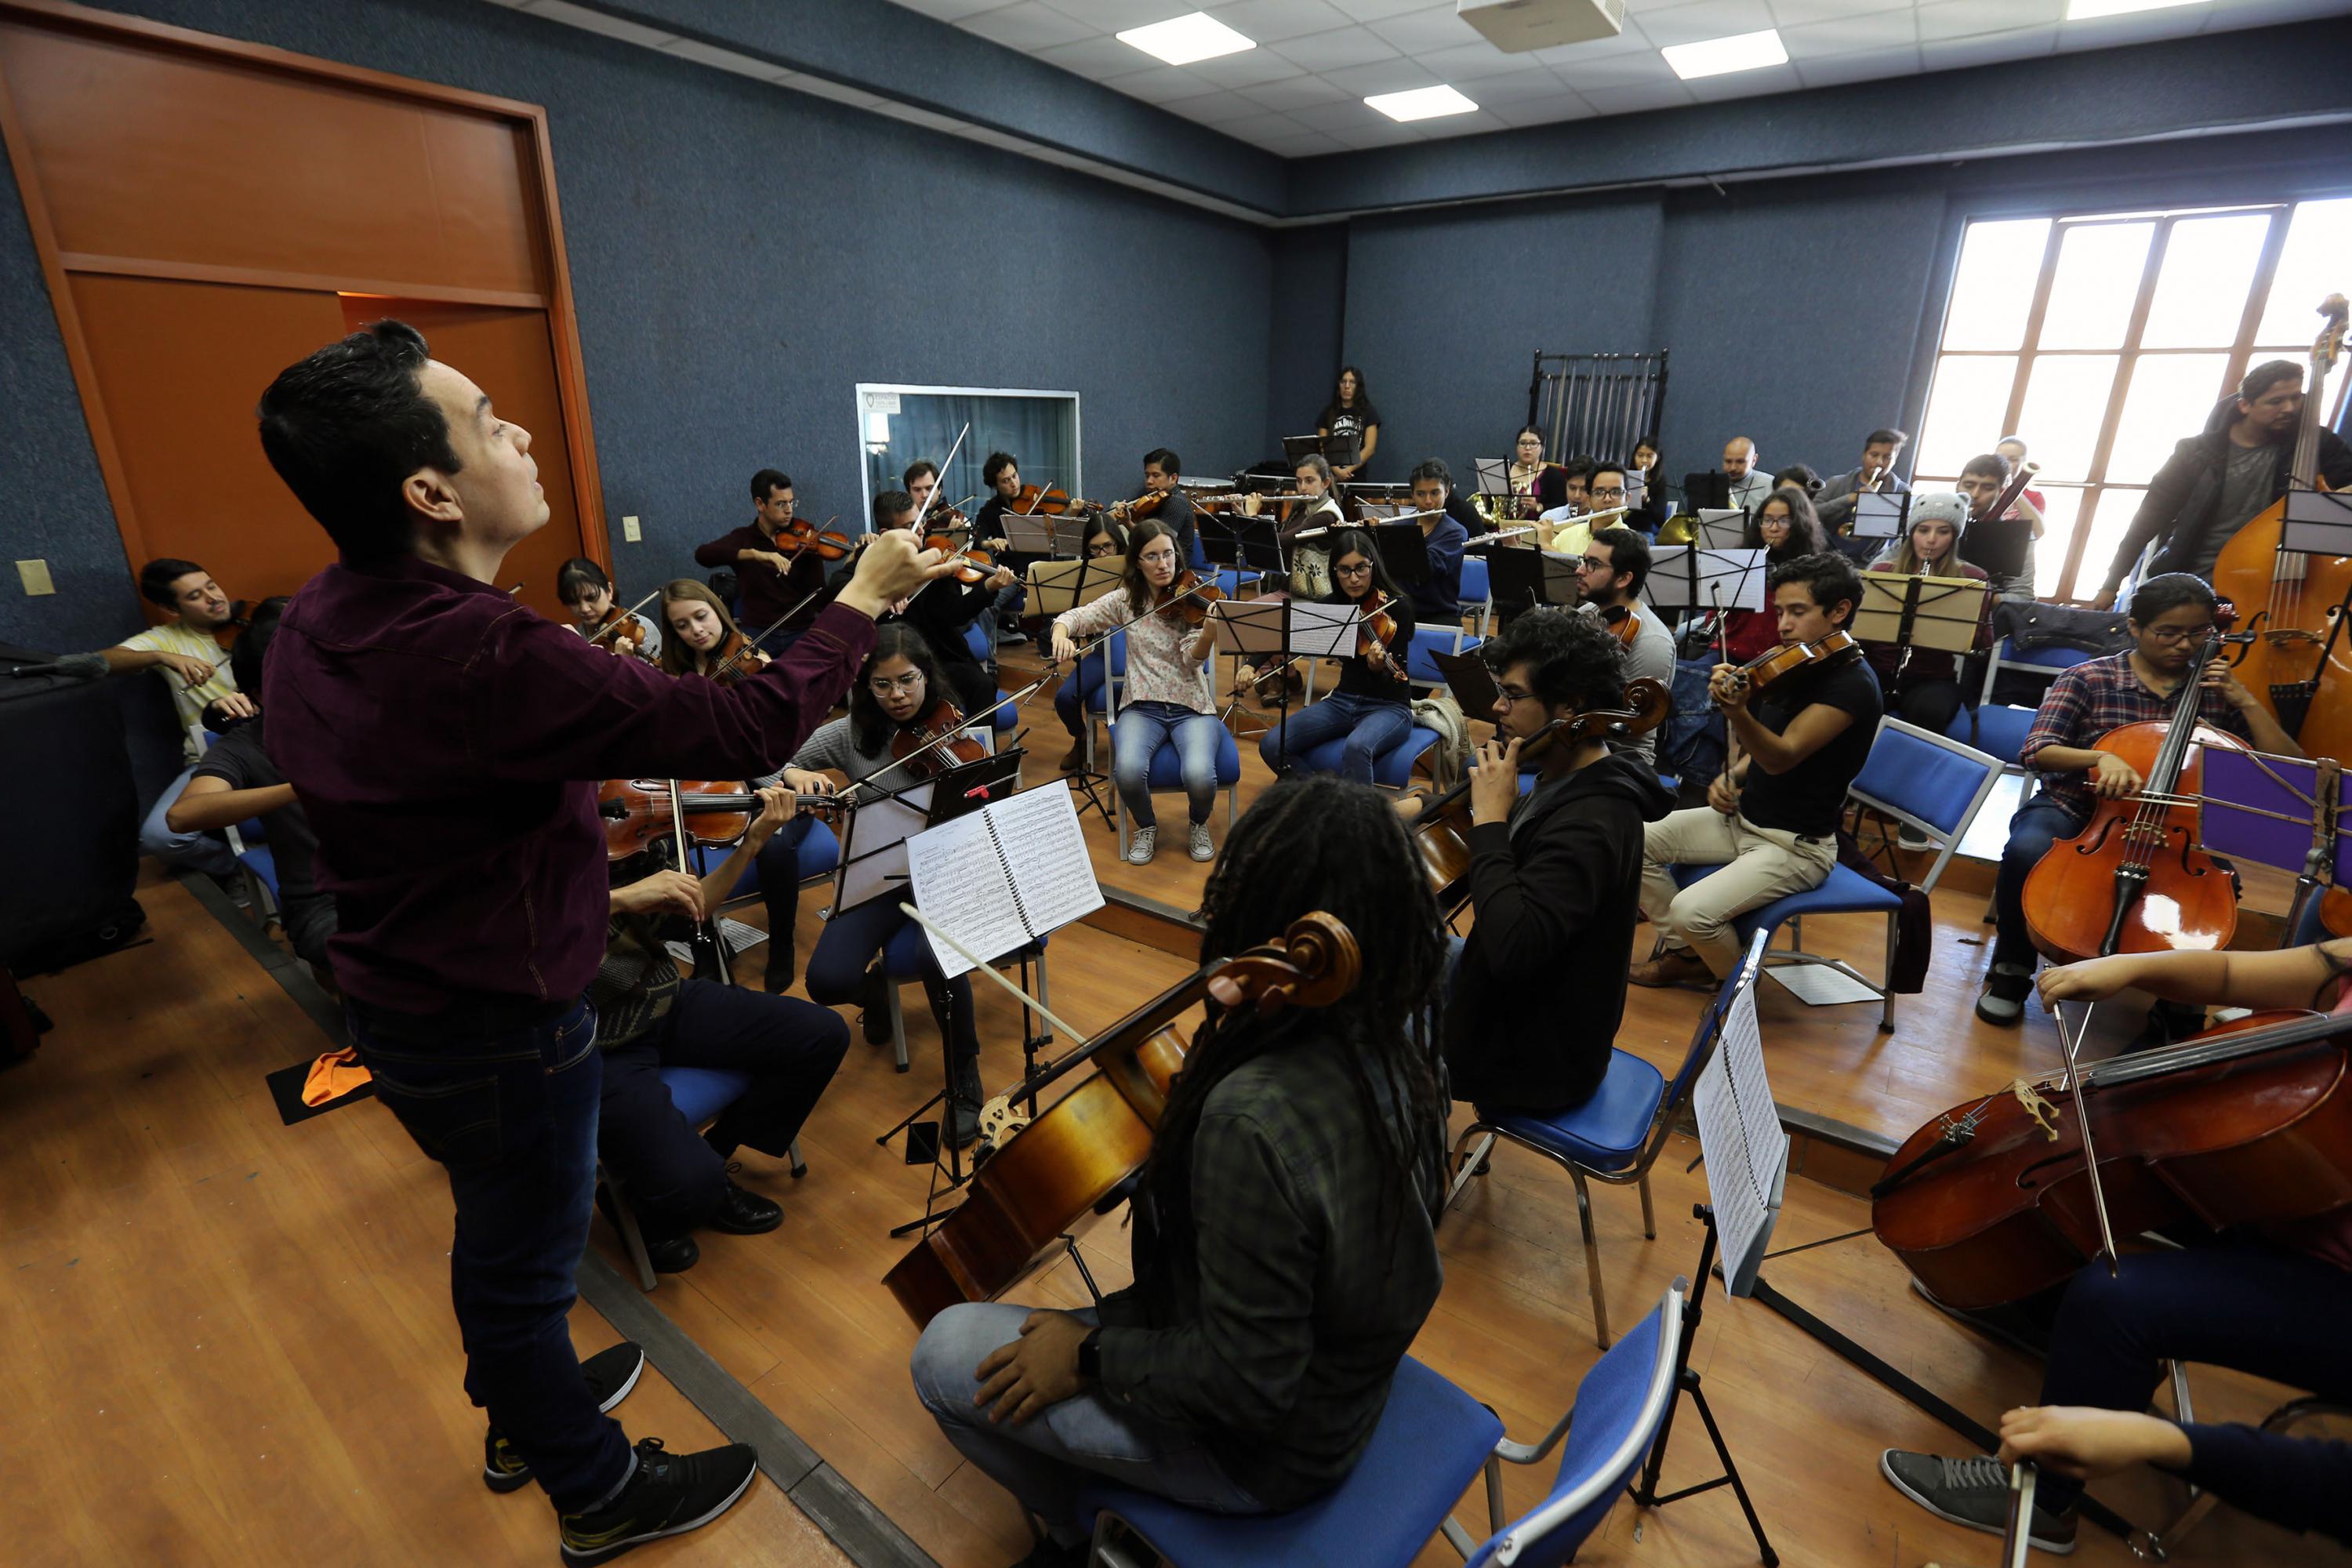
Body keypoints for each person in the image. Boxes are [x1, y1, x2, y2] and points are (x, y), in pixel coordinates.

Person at [255, 318, 943, 1560]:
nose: (518, 432)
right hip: (500, 1028)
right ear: (428, 490)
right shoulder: (488, 649)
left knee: (500, 1237)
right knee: (523, 1268)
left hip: (411, 1005)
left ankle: (529, 1409)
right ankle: (593, 1485)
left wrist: (605, 891)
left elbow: (422, 823)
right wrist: (860, 599)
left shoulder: (317, 620)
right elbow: (744, 729)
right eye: (487, 421)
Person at [908, 776, 1449, 1568]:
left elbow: (1247, 1382)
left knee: (946, 1353)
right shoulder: (1398, 1024)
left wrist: (1086, 1356)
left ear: (1292, 938)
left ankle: (1074, 1532)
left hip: (1269, 1446)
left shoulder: (1250, 1115)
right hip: (1347, 1363)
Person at [1886, 937, 2352, 1554]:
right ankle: (2048, 1324)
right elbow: (2233, 971)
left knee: (2117, 1301)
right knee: (2118, 1164)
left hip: (2335, 1279)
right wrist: (2125, 969)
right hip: (2295, 1187)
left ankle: (2043, 1500)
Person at [1973, 572, 2297, 1028]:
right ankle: (2011, 970)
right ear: (2135, 628)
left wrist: (2246, 702)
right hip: (2080, 814)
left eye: (2197, 633)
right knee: (2026, 849)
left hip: (2175, 831)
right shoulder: (2088, 678)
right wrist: (2098, 757)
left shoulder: (2218, 693)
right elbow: (2036, 751)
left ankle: (2180, 996)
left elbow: (2288, 769)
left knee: (2222, 882)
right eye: (2168, 633)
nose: (2184, 646)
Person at [1397, 612, 1674, 1111]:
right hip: (1528, 1001)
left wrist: (1492, 821)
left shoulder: (1595, 818)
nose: (1498, 706)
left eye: (1514, 695)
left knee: (1359, 1009)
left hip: (1535, 1056)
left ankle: (1400, 1147)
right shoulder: (1567, 769)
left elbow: (1513, 946)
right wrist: (1414, 808)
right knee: (1391, 949)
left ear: (1572, 704)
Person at [590, 783, 849, 1276]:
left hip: (661, 995)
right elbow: (522, 928)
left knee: (821, 1035)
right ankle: (652, 1195)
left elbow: (693, 908)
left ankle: (712, 1158)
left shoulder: (627, 825)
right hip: (595, 1038)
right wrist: (622, 898)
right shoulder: (513, 845)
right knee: (689, 1191)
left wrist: (752, 842)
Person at [1632, 553, 1883, 989]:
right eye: (1781, 610)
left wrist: (1738, 713)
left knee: (1693, 911)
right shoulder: (1799, 665)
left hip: (1795, 847)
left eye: (1798, 612)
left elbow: (1782, 755)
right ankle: (1687, 954)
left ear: (1840, 611)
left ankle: (1740, 998)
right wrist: (1733, 778)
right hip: (1744, 820)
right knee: (1629, 840)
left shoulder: (1852, 686)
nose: (1783, 624)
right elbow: (1760, 755)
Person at [786, 626, 995, 1145]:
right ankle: (874, 993)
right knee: (826, 983)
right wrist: (792, 778)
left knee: (935, 957)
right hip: (878, 872)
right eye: (882, 685)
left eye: (908, 681)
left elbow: (988, 801)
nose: (897, 695)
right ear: (865, 686)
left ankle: (964, 1073)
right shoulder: (851, 733)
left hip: (946, 870)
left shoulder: (955, 728)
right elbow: (767, 762)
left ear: (927, 676)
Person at [162, 599, 335, 986]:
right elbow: (182, 815)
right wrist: (300, 788)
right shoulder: (246, 746)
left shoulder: (370, 716)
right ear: (260, 692)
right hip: (326, 901)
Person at [2092, 361, 2352, 609]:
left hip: (2277, 589)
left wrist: (2329, 503)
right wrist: (2111, 584)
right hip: (2194, 584)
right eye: (2276, 401)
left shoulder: (2317, 443)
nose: (2290, 408)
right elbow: (2148, 519)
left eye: (2296, 398)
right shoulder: (2195, 453)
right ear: (2245, 405)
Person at [1051, 521, 1224, 866]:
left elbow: (1192, 661)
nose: (1163, 564)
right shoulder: (1125, 601)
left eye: (1168, 554)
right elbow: (1078, 616)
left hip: (1191, 706)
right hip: (1141, 707)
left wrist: (1208, 633)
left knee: (1200, 776)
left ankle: (1197, 822)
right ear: (1137, 562)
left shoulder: (1195, 604)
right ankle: (1147, 825)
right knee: (1127, 771)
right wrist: (1061, 632)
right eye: (1152, 556)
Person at [93, 557, 252, 880]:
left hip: (272, 743)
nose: (214, 598)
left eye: (211, 586)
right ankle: (240, 871)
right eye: (195, 596)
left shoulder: (252, 621)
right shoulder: (167, 639)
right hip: (213, 756)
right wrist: (162, 656)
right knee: (161, 837)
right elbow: (101, 662)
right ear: (173, 609)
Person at [1248, 530, 1417, 789]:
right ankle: (1322, 796)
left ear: (1373, 565)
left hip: (1390, 706)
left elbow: (1396, 676)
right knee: (1272, 745)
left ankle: (1359, 822)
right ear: (1334, 571)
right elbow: (1285, 633)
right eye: (1345, 570)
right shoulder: (1333, 606)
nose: (1354, 578)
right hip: (1342, 700)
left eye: (1361, 568)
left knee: (1357, 746)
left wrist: (1377, 668)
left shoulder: (1397, 607)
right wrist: (1251, 665)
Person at [872, 488, 1014, 718]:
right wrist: (885, 595)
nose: (919, 532)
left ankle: (983, 754)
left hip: (940, 658)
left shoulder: (935, 556)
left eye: (920, 522)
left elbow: (955, 614)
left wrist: (988, 588)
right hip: (896, 666)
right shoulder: (872, 568)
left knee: (982, 684)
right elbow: (840, 586)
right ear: (886, 533)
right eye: (909, 527)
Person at [1860, 492, 1990, 739]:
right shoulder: (1881, 572)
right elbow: (1860, 632)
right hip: (1878, 669)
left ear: (1954, 536)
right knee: (1854, 703)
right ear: (1912, 532)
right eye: (1923, 530)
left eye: (1943, 532)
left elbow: (1984, 642)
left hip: (1932, 677)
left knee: (1929, 712)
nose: (1931, 540)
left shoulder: (1971, 578)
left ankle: (1913, 774)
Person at [693, 469, 832, 652]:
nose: (789, 510)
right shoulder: (744, 538)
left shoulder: (805, 538)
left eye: (791, 502)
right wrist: (754, 554)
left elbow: (820, 596)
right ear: (760, 504)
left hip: (801, 630)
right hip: (759, 632)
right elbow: (703, 555)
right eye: (781, 504)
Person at [1574, 526, 1673, 765]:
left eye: (1593, 565)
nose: (1579, 570)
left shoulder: (1652, 642)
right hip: (1578, 741)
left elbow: (1624, 726)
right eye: (1583, 561)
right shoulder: (1589, 613)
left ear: (1624, 578)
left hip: (1618, 760)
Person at [1048, 513, 1130, 772]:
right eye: (1095, 548)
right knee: (1065, 698)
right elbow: (1078, 616)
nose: (1102, 553)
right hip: (1102, 651)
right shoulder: (1084, 574)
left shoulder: (1135, 570)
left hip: (1136, 653)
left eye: (1108, 546)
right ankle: (1081, 739)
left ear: (1118, 543)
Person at [1721, 486, 1831, 662]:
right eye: (1767, 520)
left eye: (1783, 521)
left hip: (1777, 654)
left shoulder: (1812, 569)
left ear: (1799, 524)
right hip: (1732, 647)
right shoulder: (1744, 557)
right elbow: (1719, 613)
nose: (1773, 528)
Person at [1953, 451, 2040, 602]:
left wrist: (1974, 600)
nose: (1974, 494)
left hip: (1986, 619)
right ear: (1957, 485)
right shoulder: (1934, 525)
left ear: (2001, 492)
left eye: (1987, 488)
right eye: (1969, 485)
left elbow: (2024, 596)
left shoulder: (2016, 537)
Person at [659, 578, 769, 683]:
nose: (697, 630)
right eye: (682, 626)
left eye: (701, 616)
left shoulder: (760, 662)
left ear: (717, 610)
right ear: (674, 631)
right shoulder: (675, 677)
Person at [1107, 448, 1200, 570]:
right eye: (1147, 475)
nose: (1149, 481)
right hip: (1151, 562)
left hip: (1172, 569)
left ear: (1173, 478)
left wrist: (1127, 522)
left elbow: (1157, 542)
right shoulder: (1155, 498)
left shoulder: (1177, 502)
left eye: (1156, 475)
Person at [557, 556, 660, 662]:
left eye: (591, 597)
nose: (584, 609)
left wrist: (624, 664)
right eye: (575, 602)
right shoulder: (576, 637)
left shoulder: (641, 629)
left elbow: (660, 678)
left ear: (609, 591)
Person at [1404, 458, 1468, 625]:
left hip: (1439, 614)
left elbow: (1427, 567)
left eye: (1435, 493)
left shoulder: (1455, 532)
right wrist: (1371, 535)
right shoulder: (1401, 525)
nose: (1428, 501)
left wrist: (1390, 542)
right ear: (1412, 494)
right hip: (1404, 611)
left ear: (1446, 492)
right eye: (1420, 494)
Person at [1813, 431, 1911, 539]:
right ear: (1864, 455)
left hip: (1875, 555)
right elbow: (1810, 513)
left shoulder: (1902, 490)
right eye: (1874, 455)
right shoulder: (1836, 483)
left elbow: (1905, 531)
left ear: (1895, 460)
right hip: (1829, 552)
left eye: (1887, 457)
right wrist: (1850, 498)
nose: (1879, 462)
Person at [1316, 365, 1380, 480]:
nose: (1347, 386)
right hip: (1331, 477)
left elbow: (1370, 448)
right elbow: (1322, 447)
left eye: (1352, 382)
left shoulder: (1369, 412)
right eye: (1343, 382)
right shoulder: (1327, 412)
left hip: (1357, 475)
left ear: (1358, 386)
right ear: (1338, 386)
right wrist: (1336, 470)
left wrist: (1348, 470)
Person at [1507, 424, 1569, 518]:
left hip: (1536, 528)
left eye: (1533, 443)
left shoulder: (1553, 475)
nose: (1527, 448)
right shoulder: (1504, 469)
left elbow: (1562, 507)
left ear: (1542, 447)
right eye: (1523, 443)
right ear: (1517, 446)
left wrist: (1538, 507)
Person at [1723, 437, 1772, 514]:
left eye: (1740, 462)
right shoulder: (1712, 485)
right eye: (1728, 461)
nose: (1733, 468)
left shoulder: (1771, 485)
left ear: (1754, 460)